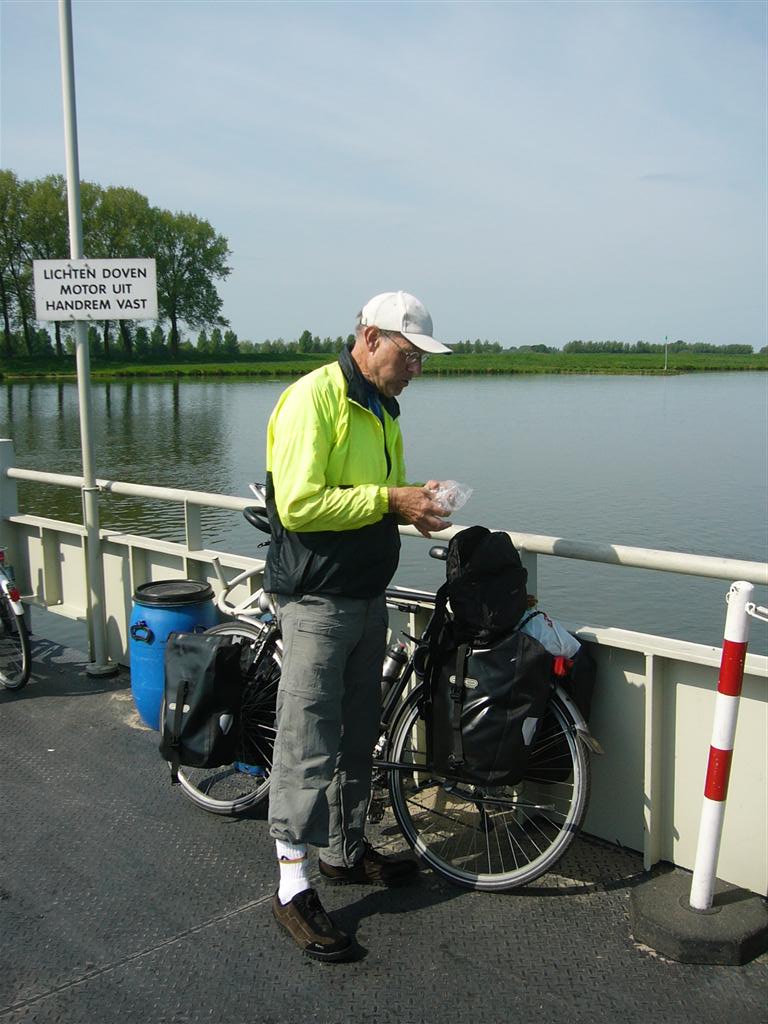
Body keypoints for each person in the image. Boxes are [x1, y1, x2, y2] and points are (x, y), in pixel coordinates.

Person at [264, 290, 453, 962]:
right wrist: (388, 499)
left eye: (422, 360)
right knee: (308, 740)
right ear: (370, 337)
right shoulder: (314, 399)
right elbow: (301, 501)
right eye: (409, 355)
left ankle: (344, 852)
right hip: (317, 599)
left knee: (355, 736)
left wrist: (414, 506)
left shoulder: (382, 412)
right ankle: (292, 885)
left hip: (366, 596)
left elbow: (379, 501)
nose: (416, 370)